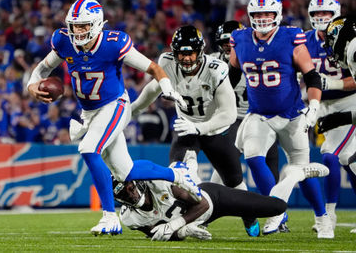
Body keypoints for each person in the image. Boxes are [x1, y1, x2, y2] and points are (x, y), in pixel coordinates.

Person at [27, 0, 202, 236]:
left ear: (97, 24)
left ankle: (110, 217)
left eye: (83, 26)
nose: (77, 31)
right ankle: (178, 175)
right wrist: (31, 85)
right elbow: (41, 69)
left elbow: (153, 67)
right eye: (75, 26)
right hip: (89, 112)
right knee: (126, 172)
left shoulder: (113, 43)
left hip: (115, 105)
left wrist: (167, 87)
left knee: (89, 149)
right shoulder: (63, 41)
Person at [131, 25, 259, 237]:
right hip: (186, 130)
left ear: (200, 51)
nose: (186, 58)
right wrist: (132, 110)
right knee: (181, 177)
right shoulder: (167, 63)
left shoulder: (216, 69)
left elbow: (228, 113)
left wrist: (199, 127)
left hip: (215, 130)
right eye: (182, 53)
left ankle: (249, 216)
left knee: (235, 183)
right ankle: (190, 220)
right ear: (175, 52)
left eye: (190, 53)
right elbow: (153, 90)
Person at [228, 0, 333, 238]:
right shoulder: (240, 39)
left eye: (267, 13)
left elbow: (311, 75)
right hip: (260, 114)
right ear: (250, 16)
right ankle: (276, 212)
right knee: (253, 157)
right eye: (258, 14)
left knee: (301, 170)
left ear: (277, 14)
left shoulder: (290, 37)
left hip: (292, 114)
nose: (263, 18)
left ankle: (322, 217)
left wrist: (314, 107)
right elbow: (231, 76)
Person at [113, 162, 329, 241]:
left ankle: (295, 174)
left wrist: (180, 224)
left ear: (138, 182)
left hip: (214, 199)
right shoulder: (129, 217)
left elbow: (202, 205)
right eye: (124, 194)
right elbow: (158, 233)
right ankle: (248, 215)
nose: (130, 195)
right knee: (254, 230)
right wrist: (183, 232)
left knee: (277, 207)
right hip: (197, 220)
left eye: (131, 188)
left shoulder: (161, 184)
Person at [305, 0, 356, 233]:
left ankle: (330, 214)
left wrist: (330, 84)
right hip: (323, 105)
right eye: (317, 13)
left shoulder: (349, 40)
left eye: (326, 13)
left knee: (331, 155)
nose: (321, 18)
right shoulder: (303, 41)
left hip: (349, 103)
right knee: (348, 160)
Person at [211, 20, 280, 197]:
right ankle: (207, 207)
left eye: (231, 42)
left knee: (270, 162)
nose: (228, 46)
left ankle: (277, 211)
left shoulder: (255, 57)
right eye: (224, 42)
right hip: (230, 119)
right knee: (226, 163)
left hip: (259, 116)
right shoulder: (212, 62)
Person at [317, 15, 356, 233]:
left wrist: (341, 118)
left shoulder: (354, 50)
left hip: (346, 104)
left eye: (332, 40)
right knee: (351, 160)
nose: (330, 47)